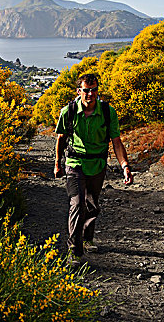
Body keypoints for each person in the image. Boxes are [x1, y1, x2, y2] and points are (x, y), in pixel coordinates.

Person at [54, 73, 133, 267]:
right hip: (75, 163)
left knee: (91, 204)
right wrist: (57, 163)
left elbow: (116, 142)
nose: (90, 94)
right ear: (79, 91)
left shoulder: (107, 112)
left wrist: (125, 166)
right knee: (77, 204)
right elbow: (61, 139)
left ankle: (88, 238)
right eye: (86, 90)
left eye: (94, 90)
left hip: (98, 164)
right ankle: (74, 251)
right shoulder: (69, 111)